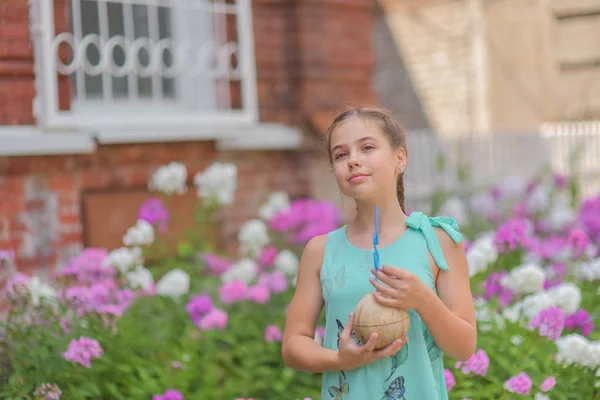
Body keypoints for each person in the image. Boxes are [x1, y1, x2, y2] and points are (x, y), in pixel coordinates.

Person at [282, 107, 476, 399]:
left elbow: (464, 347)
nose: (353, 161)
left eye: (367, 147)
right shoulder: (321, 251)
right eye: (340, 155)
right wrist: (339, 360)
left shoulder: (436, 241)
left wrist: (423, 300)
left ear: (400, 158)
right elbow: (293, 344)